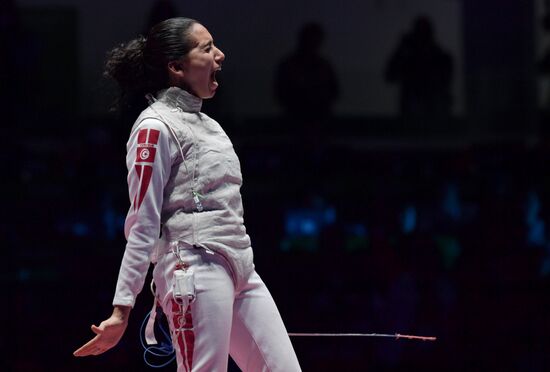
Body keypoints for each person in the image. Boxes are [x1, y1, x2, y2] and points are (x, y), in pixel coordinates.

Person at [73, 17, 301, 372]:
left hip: (241, 264)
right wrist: (122, 308)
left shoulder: (210, 126)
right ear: (177, 67)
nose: (220, 55)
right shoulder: (155, 127)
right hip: (194, 266)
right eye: (207, 48)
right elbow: (143, 222)